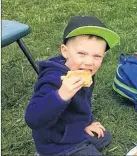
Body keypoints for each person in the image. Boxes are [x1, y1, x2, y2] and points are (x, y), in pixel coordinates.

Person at [25, 16, 120, 156]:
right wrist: (60, 95)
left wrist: (87, 123)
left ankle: (82, 136)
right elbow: (33, 119)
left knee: (104, 136)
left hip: (73, 130)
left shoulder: (83, 71)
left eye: (97, 56)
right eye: (82, 53)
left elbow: (82, 105)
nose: (89, 62)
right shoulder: (54, 78)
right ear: (65, 51)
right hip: (56, 143)